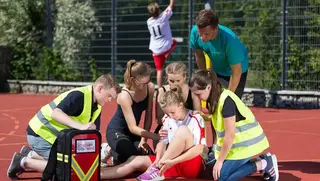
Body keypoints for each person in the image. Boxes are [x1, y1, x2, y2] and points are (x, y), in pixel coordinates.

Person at [7, 74, 121, 178]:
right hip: (40, 134)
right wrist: (80, 126)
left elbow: (91, 134)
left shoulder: (98, 104)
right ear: (99, 88)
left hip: (53, 138)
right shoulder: (79, 96)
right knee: (68, 167)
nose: (110, 100)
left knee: (77, 161)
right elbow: (56, 113)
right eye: (109, 95)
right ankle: (23, 161)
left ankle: (31, 154)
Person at [189, 69, 279, 181]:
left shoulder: (226, 100)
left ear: (208, 87)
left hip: (246, 145)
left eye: (198, 94)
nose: (197, 98)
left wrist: (220, 161)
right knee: (213, 170)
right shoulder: (214, 98)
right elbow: (221, 120)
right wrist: (206, 117)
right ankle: (258, 162)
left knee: (221, 176)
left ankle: (264, 163)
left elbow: (230, 135)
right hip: (235, 147)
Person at [100, 86, 207, 181]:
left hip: (190, 163)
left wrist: (171, 161)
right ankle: (98, 174)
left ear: (180, 105)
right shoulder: (167, 118)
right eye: (167, 113)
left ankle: (157, 168)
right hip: (168, 163)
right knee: (134, 160)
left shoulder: (195, 118)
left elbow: (200, 149)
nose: (170, 116)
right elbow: (162, 142)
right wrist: (158, 159)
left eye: (172, 112)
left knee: (183, 130)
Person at [102, 60, 159, 166]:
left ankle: (118, 153)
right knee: (131, 157)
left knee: (148, 157)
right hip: (116, 131)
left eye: (148, 81)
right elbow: (132, 127)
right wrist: (154, 136)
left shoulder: (149, 87)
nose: (146, 85)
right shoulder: (124, 96)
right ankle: (108, 149)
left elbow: (148, 117)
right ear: (133, 79)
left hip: (133, 134)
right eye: (142, 83)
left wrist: (144, 140)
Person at [190, 9, 249, 98]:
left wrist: (228, 97)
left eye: (206, 34)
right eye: (200, 33)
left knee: (231, 104)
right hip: (217, 70)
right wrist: (205, 77)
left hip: (236, 71)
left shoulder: (230, 42)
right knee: (213, 101)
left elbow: (236, 72)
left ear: (216, 29)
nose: (202, 38)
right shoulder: (195, 32)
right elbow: (199, 56)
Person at [154, 61, 201, 133]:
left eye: (178, 80)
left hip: (189, 128)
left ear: (184, 77)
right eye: (171, 81)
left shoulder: (192, 91)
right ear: (167, 78)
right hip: (168, 128)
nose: (175, 84)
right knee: (160, 136)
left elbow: (198, 116)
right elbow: (159, 119)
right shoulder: (162, 91)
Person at [147, 0, 177, 87]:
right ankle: (166, 54)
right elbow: (171, 4)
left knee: (159, 70)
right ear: (158, 10)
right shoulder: (164, 16)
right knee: (174, 42)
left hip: (156, 49)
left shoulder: (149, 22)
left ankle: (159, 89)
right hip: (166, 46)